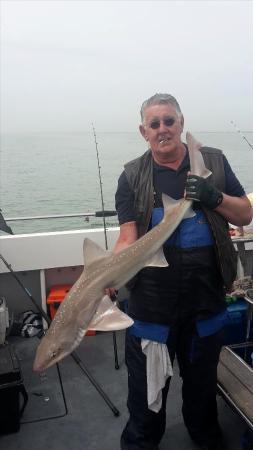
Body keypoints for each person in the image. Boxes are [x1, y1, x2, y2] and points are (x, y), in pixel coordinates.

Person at [112, 93, 252, 450]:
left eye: (169, 121)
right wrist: (105, 275)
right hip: (151, 305)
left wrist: (213, 196)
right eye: (154, 123)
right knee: (145, 400)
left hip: (205, 301)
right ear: (143, 131)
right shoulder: (131, 176)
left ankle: (205, 437)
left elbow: (244, 216)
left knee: (202, 392)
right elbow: (128, 237)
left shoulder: (214, 163)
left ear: (181, 122)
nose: (163, 129)